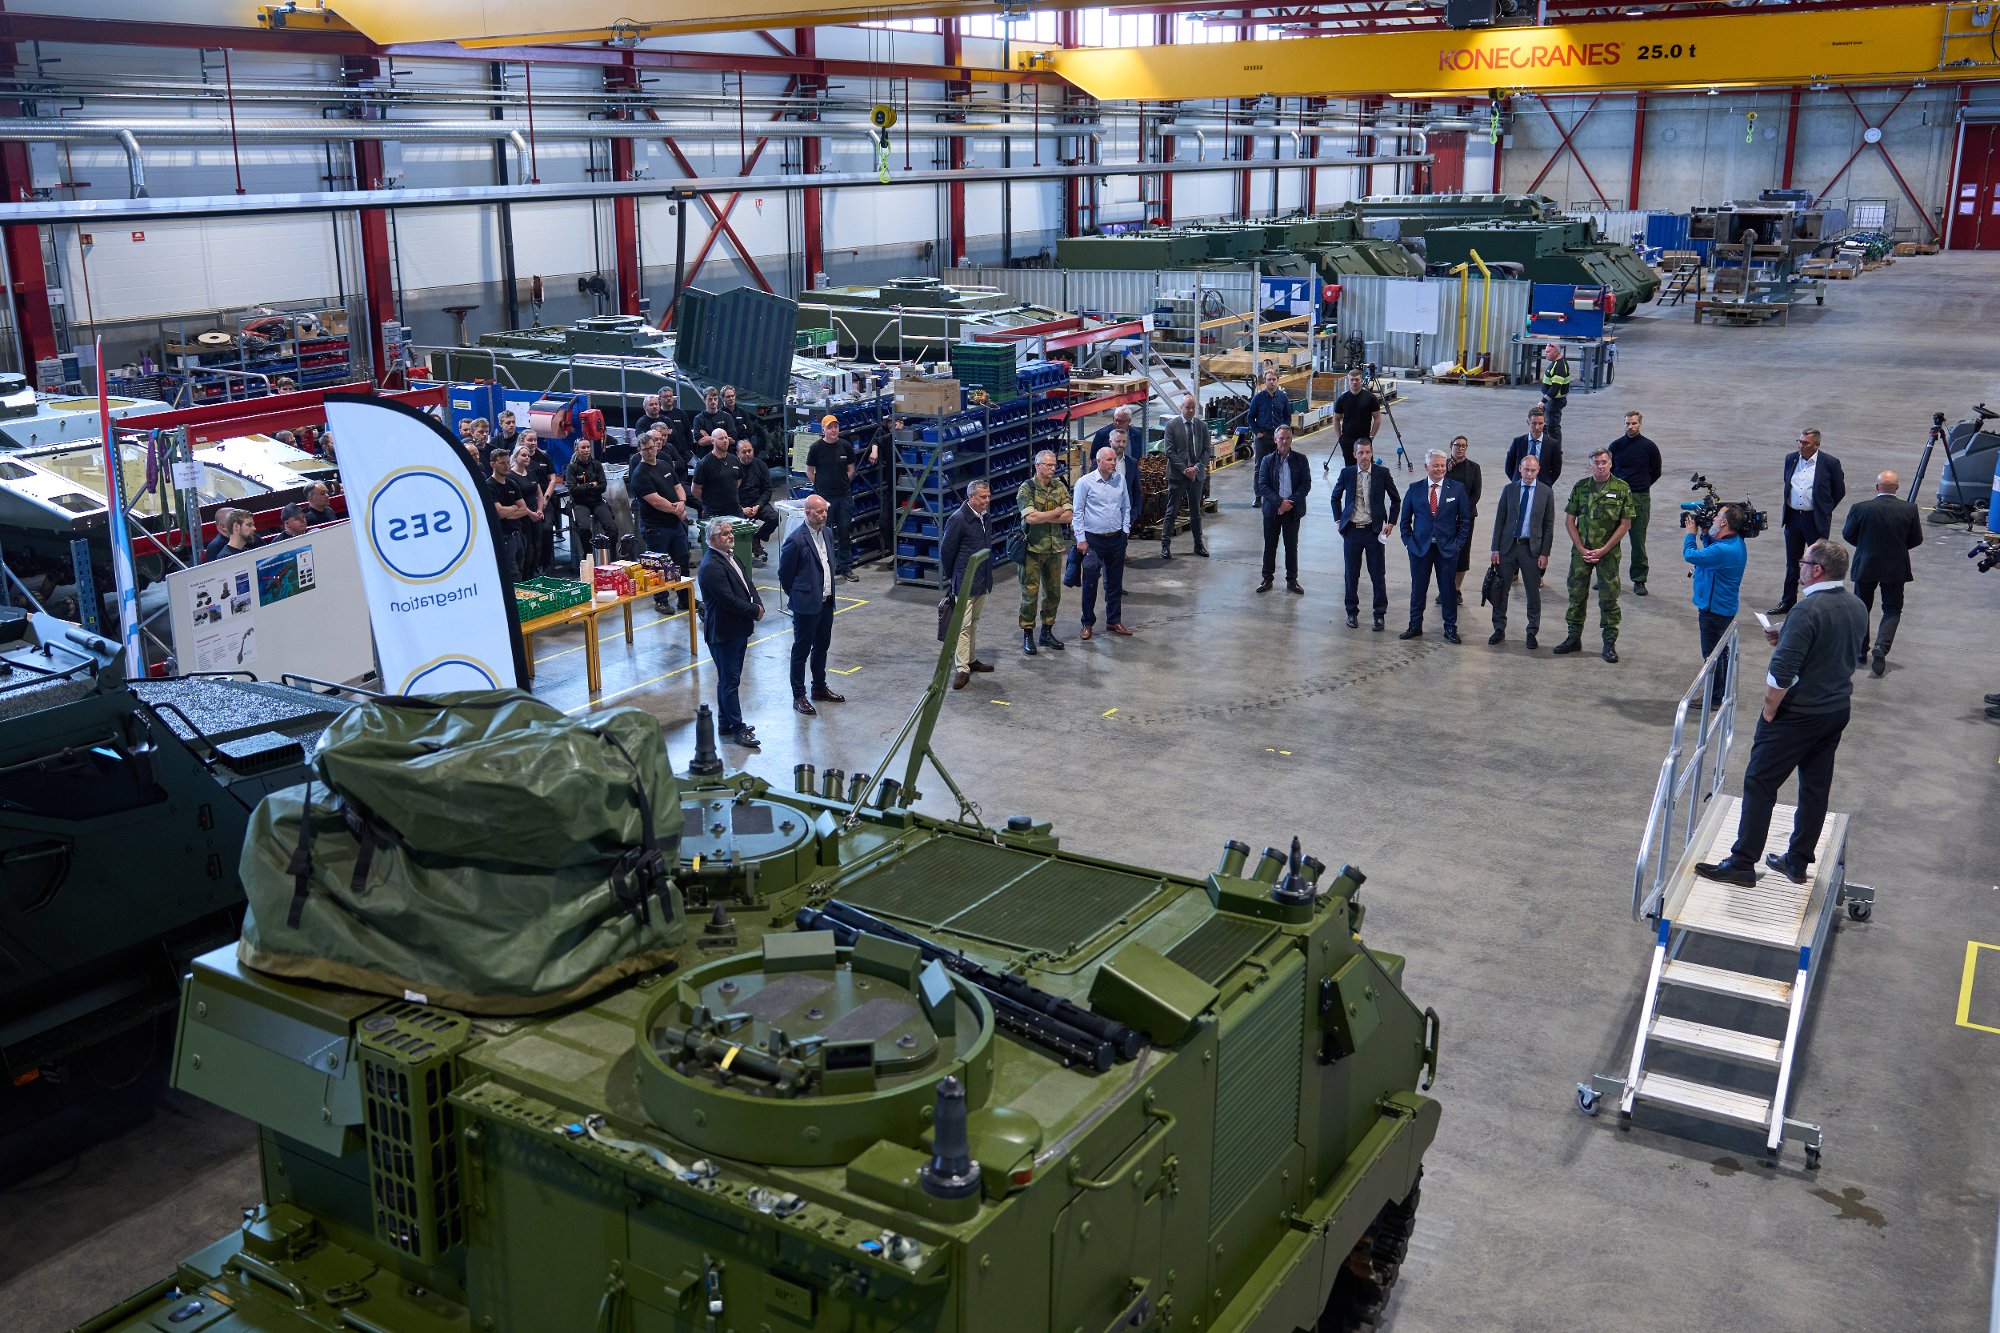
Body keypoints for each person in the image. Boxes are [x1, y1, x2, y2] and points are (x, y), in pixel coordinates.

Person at [1696, 538, 1867, 888]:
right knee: (1815, 787)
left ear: (1816, 570)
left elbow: (1782, 672)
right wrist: (1785, 631)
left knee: (1760, 783)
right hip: (1836, 709)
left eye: (1803, 562)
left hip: (1798, 714)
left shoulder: (1807, 610)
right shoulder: (1856, 605)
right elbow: (1835, 644)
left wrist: (1770, 708)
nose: (1798, 567)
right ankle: (1797, 860)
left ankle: (1742, 863)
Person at [1841, 468, 1924, 677]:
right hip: (1895, 567)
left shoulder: (1860, 508)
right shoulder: (1909, 509)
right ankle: (1882, 646)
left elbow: (1848, 534)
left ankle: (1860, 650)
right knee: (1892, 608)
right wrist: (1898, 548)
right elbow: (1916, 539)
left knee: (1862, 607)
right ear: (1897, 488)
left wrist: (1865, 546)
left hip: (1866, 564)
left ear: (1877, 487)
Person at [1555, 446, 1634, 663]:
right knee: (1576, 595)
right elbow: (1569, 520)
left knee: (1608, 598)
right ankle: (1573, 638)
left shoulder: (1622, 488)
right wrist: (1581, 548)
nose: (1600, 466)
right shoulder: (1581, 487)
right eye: (1596, 463)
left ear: (1611, 464)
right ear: (1590, 465)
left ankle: (1609, 643)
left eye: (1603, 462)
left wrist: (1604, 549)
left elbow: (1625, 524)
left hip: (1608, 554)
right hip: (1581, 552)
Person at [695, 515, 763, 750]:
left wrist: (758, 603)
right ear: (713, 538)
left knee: (728, 679)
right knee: (730, 682)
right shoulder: (711, 567)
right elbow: (728, 600)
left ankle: (725, 723)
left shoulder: (731, 557)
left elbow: (747, 584)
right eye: (725, 533)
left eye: (731, 532)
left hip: (737, 630)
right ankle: (737, 728)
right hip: (724, 633)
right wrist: (754, 611)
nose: (731, 536)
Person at [777, 494, 844, 716]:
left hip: (826, 602)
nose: (824, 515)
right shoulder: (796, 540)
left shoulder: (827, 533)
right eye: (819, 511)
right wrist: (800, 595)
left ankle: (819, 688)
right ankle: (799, 695)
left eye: (825, 511)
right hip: (806, 605)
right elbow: (785, 575)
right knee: (801, 650)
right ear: (807, 513)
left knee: (822, 647)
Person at [1398, 448, 1472, 642]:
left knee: (1448, 591)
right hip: (1419, 549)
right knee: (1418, 589)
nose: (1439, 469)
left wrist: (1457, 545)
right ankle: (1415, 626)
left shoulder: (1457, 489)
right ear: (1426, 466)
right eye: (1435, 465)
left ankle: (1450, 628)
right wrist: (1408, 544)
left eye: (1442, 465)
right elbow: (1405, 521)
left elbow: (1465, 521)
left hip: (1446, 550)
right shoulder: (1414, 489)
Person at [1487, 451, 1556, 648]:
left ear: (1538, 470)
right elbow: (1500, 519)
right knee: (1501, 591)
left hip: (1531, 549)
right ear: (1520, 469)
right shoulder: (1509, 489)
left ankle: (1532, 632)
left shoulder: (1546, 492)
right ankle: (1499, 629)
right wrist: (1495, 548)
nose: (1529, 474)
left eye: (1533, 470)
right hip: (1507, 548)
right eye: (1526, 470)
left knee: (1533, 593)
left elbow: (1548, 525)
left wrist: (1545, 553)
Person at [1682, 501, 1748, 705]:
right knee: (1720, 652)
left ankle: (1715, 697)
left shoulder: (1723, 550)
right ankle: (1719, 691)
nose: (1714, 519)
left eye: (1718, 516)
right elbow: (1711, 550)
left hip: (1714, 610)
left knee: (1712, 655)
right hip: (1723, 606)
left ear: (1725, 523)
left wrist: (1690, 534)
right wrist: (1705, 534)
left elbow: (1690, 555)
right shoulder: (1734, 542)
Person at [1773, 428, 1846, 614]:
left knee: (1817, 564)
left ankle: (1814, 602)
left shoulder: (1830, 463)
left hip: (1815, 520)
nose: (1801, 446)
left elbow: (1839, 491)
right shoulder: (1791, 459)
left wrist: (1824, 510)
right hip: (1793, 518)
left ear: (1817, 445)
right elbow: (1788, 483)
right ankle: (1788, 600)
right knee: (1792, 562)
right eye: (1799, 441)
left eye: (1805, 443)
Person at [1331, 437, 1401, 630]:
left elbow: (1396, 499)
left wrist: (1391, 522)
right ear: (1355, 455)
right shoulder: (1347, 473)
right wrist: (1338, 520)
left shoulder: (1382, 473)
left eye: (1367, 452)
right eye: (1360, 453)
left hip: (1374, 532)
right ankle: (1351, 613)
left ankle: (1379, 614)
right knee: (1351, 574)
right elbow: (1335, 497)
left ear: (1372, 453)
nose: (1364, 456)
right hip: (1352, 531)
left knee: (1378, 575)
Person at [940, 480, 996, 688]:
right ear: (971, 497)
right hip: (965, 581)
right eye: (983, 497)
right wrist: (953, 576)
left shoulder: (985, 516)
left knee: (974, 622)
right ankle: (962, 668)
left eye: (988, 496)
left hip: (981, 578)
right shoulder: (958, 519)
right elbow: (946, 551)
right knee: (963, 626)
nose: (987, 500)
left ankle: (971, 659)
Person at [1072, 446, 1132, 640]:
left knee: (1115, 583)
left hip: (1116, 539)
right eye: (1109, 460)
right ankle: (1087, 623)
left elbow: (1126, 507)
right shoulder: (1085, 483)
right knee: (1090, 582)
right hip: (1093, 541)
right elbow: (1077, 513)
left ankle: (1114, 620)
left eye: (1114, 460)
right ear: (1099, 462)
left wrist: (1125, 531)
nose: (1113, 463)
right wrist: (1081, 539)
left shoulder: (1120, 480)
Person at [627, 433, 691, 607]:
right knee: (658, 567)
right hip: (656, 528)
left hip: (675, 524)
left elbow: (678, 487)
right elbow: (656, 501)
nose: (650, 451)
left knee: (682, 560)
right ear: (639, 451)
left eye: (651, 447)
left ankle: (685, 598)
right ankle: (661, 601)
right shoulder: (639, 475)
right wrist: (678, 510)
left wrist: (682, 502)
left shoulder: (664, 465)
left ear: (656, 446)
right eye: (645, 449)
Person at [1016, 450, 1071, 655]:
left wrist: (1044, 516)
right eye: (1048, 465)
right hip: (1032, 548)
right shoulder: (1026, 488)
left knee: (1053, 593)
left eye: (1054, 465)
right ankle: (1028, 633)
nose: (1053, 468)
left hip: (1054, 548)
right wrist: (1056, 511)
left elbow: (1068, 516)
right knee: (1030, 593)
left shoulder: (1059, 486)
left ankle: (1046, 631)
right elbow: (1030, 519)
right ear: (1037, 466)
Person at [1608, 411, 1663, 595]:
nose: (1630, 427)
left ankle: (1639, 580)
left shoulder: (1649, 447)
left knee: (1638, 541)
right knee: (1611, 538)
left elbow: (1656, 471)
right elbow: (1610, 471)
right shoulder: (1616, 446)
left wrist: (1642, 485)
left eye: (1633, 423)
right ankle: (1608, 576)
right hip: (1617, 497)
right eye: (1627, 423)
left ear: (1640, 424)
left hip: (1640, 497)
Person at [1257, 425, 1311, 595]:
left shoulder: (1301, 460)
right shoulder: (1267, 461)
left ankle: (1292, 580)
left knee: (1291, 546)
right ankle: (1267, 578)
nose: (1284, 441)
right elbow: (1263, 486)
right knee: (1270, 546)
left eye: (1287, 438)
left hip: (1292, 511)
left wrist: (1289, 503)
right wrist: (1279, 503)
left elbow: (1305, 485)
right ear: (1275, 440)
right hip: (1272, 511)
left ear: (1291, 440)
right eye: (1281, 438)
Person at [806, 415, 861, 581]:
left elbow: (851, 468)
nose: (833, 430)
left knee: (844, 531)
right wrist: (819, 486)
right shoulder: (816, 448)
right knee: (824, 533)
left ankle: (846, 567)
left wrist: (844, 482)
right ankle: (826, 568)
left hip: (844, 496)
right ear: (823, 429)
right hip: (825, 499)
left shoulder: (845, 446)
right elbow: (809, 471)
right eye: (829, 427)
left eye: (835, 427)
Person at [1160, 395, 1211, 559]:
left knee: (1196, 512)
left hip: (1196, 476)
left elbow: (1207, 451)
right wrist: (1185, 470)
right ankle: (1165, 546)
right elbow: (1169, 451)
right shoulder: (1171, 426)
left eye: (1193, 407)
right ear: (1181, 407)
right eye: (1187, 407)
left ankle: (1198, 545)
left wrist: (1196, 468)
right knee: (1172, 511)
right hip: (1178, 475)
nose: (1190, 410)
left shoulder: (1202, 426)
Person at [565, 436, 620, 561]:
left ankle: (611, 556)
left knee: (612, 529)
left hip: (597, 501)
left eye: (588, 447)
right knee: (584, 529)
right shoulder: (572, 467)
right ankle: (589, 556)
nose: (586, 450)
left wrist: (583, 487)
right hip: (580, 503)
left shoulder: (596, 465)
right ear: (576, 450)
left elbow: (603, 486)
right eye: (583, 447)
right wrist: (591, 485)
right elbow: (573, 490)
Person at [1445, 434, 1483, 600]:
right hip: (1445, 517)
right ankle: (1444, 588)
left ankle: (1456, 589)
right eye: (1457, 445)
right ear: (1451, 446)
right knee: (1445, 552)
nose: (1460, 448)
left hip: (1466, 518)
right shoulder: (1442, 466)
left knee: (1462, 552)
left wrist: (1462, 512)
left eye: (1463, 446)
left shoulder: (1474, 467)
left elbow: (1476, 493)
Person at [484, 448, 531, 578]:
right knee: (512, 575)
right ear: (492, 464)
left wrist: (508, 512)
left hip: (518, 536)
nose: (506, 466)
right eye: (501, 463)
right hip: (504, 537)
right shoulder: (489, 486)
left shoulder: (512, 484)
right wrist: (514, 508)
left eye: (507, 462)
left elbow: (523, 510)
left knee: (520, 571)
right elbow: (499, 513)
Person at [1248, 369, 1291, 502]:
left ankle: (1276, 496)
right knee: (1260, 466)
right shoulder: (1258, 398)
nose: (1272, 382)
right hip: (1263, 437)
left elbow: (1287, 417)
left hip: (1278, 438)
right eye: (1269, 379)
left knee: (1279, 465)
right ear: (1265, 381)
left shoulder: (1283, 398)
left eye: (1274, 379)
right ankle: (1258, 496)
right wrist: (1257, 432)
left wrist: (1283, 434)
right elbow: (1250, 417)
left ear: (1277, 381)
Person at [510, 439, 551, 576]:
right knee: (528, 547)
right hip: (523, 515)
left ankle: (534, 571)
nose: (527, 458)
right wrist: (530, 513)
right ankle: (525, 575)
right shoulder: (511, 477)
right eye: (523, 455)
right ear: (515, 458)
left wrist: (539, 510)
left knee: (537, 544)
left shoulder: (531, 473)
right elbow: (516, 501)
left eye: (528, 456)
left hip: (535, 512)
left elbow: (539, 493)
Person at [735, 437, 778, 565]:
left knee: (775, 517)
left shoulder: (761, 465)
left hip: (757, 503)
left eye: (750, 451)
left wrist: (758, 505)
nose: (748, 454)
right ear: (738, 454)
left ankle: (756, 538)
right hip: (740, 505)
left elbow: (768, 490)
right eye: (744, 452)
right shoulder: (733, 468)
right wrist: (741, 508)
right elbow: (729, 493)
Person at [1330, 368, 1382, 471]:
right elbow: (1336, 419)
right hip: (1347, 440)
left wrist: (1371, 437)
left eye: (1357, 379)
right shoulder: (1342, 399)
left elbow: (1377, 418)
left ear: (1361, 381)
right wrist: (1340, 438)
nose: (1354, 382)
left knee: (1366, 468)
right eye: (1352, 380)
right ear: (1348, 381)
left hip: (1364, 439)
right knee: (1350, 470)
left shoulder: (1370, 398)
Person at [691, 430, 742, 521]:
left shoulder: (734, 460)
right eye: (721, 438)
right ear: (713, 441)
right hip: (714, 512)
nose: (725, 440)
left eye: (726, 438)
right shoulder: (704, 464)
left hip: (735, 510)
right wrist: (710, 500)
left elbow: (738, 480)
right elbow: (695, 489)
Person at [1503, 406, 1561, 484]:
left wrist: (1546, 484)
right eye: (1534, 423)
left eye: (1540, 423)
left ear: (1545, 423)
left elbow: (1556, 470)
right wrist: (1517, 482)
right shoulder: (1518, 442)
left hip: (1542, 487)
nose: (1537, 427)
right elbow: (1509, 467)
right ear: (1528, 423)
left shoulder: (1553, 445)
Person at [1109, 427, 1143, 533]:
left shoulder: (1132, 463)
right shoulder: (1099, 463)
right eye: (1118, 441)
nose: (1121, 444)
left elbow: (1137, 490)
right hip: (1106, 516)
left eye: (1124, 441)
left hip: (1126, 517)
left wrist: (1134, 514)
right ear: (1110, 442)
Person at [1539, 342, 1573, 443]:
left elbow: (1555, 388)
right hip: (1551, 400)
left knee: (1552, 427)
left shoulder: (1559, 367)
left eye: (1548, 352)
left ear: (1556, 352)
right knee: (1545, 424)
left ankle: (1556, 450)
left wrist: (1543, 401)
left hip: (1555, 401)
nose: (1546, 354)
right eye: (1545, 351)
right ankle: (1546, 446)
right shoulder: (1555, 363)